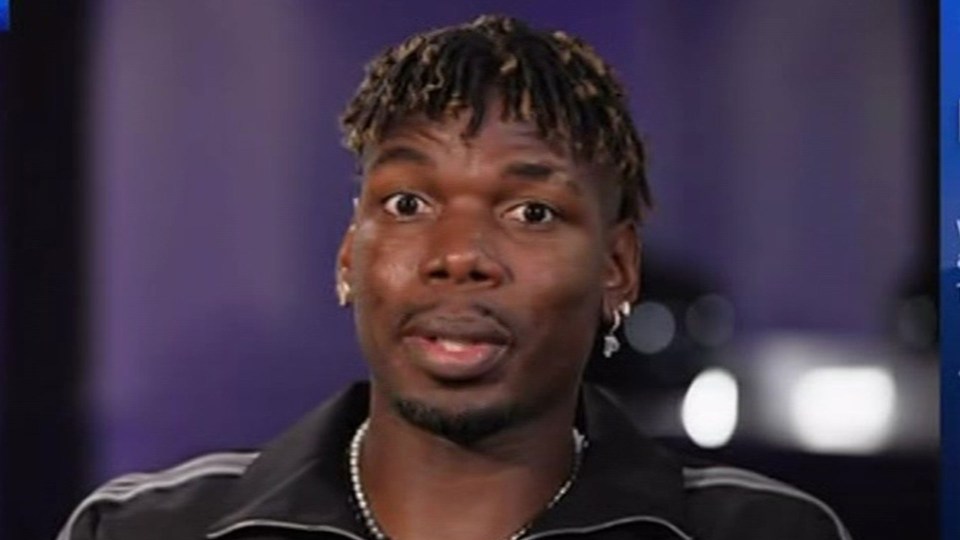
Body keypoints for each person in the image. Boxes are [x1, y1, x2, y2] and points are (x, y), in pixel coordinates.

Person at [58, 15, 851, 540]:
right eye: (407, 202)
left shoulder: (764, 532)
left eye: (531, 212)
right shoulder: (142, 530)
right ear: (348, 257)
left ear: (617, 269)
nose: (458, 253)